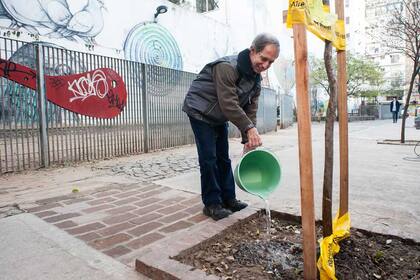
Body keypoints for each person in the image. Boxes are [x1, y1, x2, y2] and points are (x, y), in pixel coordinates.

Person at [182, 33, 280, 220]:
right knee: (209, 158)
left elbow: (251, 108)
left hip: (218, 115)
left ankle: (229, 199)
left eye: (271, 62)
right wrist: (249, 129)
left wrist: (248, 138)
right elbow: (229, 103)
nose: (266, 65)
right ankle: (212, 204)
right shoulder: (227, 67)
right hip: (200, 110)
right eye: (264, 58)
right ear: (253, 51)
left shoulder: (256, 79)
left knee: (223, 158)